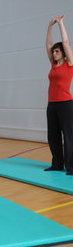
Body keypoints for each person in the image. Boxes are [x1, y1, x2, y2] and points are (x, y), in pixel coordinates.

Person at [45, 16, 73, 175]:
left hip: (66, 104)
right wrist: (50, 26)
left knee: (68, 136)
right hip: (52, 104)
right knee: (53, 135)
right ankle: (57, 164)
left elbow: (67, 43)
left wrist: (61, 24)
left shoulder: (70, 64)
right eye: (53, 51)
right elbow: (48, 44)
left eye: (57, 51)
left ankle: (71, 166)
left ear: (63, 53)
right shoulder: (53, 65)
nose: (54, 53)